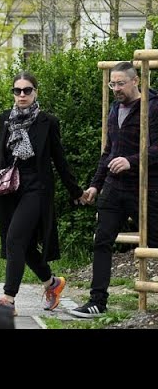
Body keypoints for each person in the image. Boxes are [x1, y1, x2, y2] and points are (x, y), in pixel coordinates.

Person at [70, 61, 158, 318]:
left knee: (154, 241)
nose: (116, 88)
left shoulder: (152, 107)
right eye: (113, 84)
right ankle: (97, 301)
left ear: (136, 81)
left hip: (144, 187)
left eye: (121, 83)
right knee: (102, 241)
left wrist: (132, 160)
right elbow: (108, 153)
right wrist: (95, 185)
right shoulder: (113, 110)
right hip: (113, 188)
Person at [0, 72, 84, 315]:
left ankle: (9, 299)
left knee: (14, 239)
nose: (22, 95)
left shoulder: (48, 122)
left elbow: (59, 159)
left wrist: (75, 190)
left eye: (27, 90)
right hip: (10, 188)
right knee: (24, 245)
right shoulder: (5, 119)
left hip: (36, 188)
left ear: (36, 93)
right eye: (17, 90)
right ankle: (52, 284)